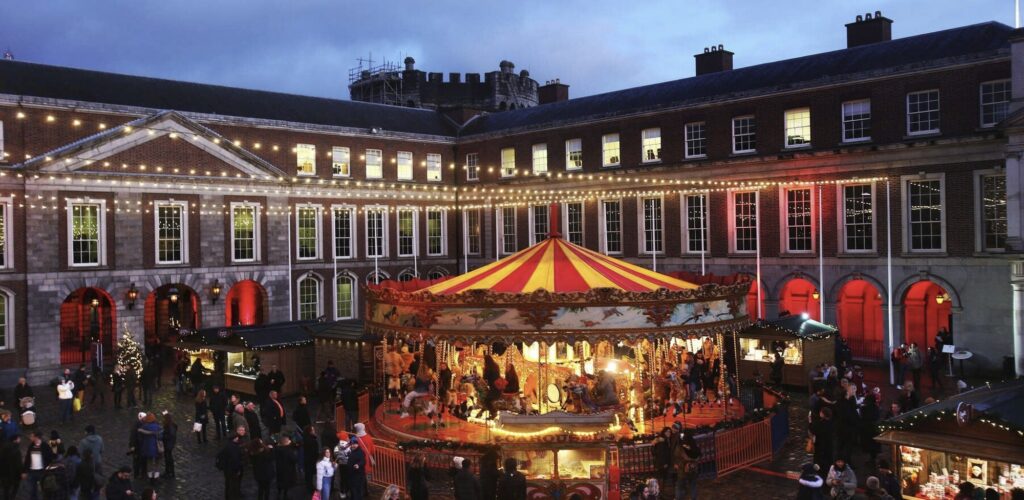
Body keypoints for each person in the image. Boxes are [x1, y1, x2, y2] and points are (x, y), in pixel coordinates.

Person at [25, 430, 56, 500]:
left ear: (36, 437)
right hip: (32, 471)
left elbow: (51, 457)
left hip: (42, 471)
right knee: (32, 490)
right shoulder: (31, 446)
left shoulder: (45, 446)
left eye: (32, 436)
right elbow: (27, 458)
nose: (30, 437)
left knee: (44, 489)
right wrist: (25, 470)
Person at [215, 426, 244, 500]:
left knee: (228, 485)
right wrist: (238, 470)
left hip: (227, 469)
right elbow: (236, 460)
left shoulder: (227, 446)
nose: (238, 438)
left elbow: (219, 455)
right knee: (233, 486)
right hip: (232, 470)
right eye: (237, 437)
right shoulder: (234, 447)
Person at [673, 430, 701, 500]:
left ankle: (679, 498)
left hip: (683, 470)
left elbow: (676, 457)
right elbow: (698, 456)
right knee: (693, 485)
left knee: (680, 485)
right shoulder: (693, 445)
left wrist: (678, 464)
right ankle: (693, 498)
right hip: (693, 469)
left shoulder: (680, 447)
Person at [136, 413, 162, 485]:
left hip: (147, 448)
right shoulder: (158, 427)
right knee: (157, 463)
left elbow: (140, 438)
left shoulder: (144, 427)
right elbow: (161, 437)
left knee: (149, 463)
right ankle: (156, 477)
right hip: (157, 448)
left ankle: (151, 478)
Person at [273, 434, 299, 500]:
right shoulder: (288, 450)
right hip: (288, 469)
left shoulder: (276, 449)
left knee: (280, 481)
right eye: (288, 440)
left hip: (279, 468)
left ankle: (279, 494)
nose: (290, 441)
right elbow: (294, 459)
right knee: (286, 483)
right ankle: (285, 495)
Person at [0, 434, 23, 500]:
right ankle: (12, 497)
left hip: (4, 473)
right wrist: (22, 472)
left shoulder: (4, 448)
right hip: (14, 473)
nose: (20, 440)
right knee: (15, 487)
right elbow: (19, 464)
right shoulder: (16, 450)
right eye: (19, 438)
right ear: (15, 440)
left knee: (6, 489)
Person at [303, 425, 320, 492]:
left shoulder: (306, 438)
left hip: (308, 458)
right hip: (311, 459)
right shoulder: (311, 440)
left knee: (308, 473)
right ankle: (310, 487)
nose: (314, 431)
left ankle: (309, 485)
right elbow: (314, 450)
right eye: (313, 430)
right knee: (310, 473)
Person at [160, 412, 177, 479]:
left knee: (168, 458)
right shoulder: (173, 425)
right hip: (170, 444)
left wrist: (163, 436)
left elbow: (170, 435)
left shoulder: (169, 426)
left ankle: (169, 472)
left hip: (168, 444)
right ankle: (169, 472)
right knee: (168, 458)